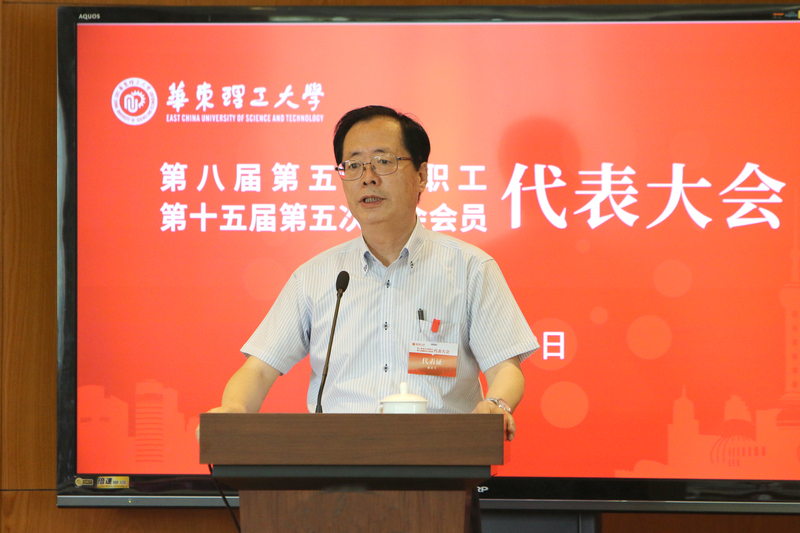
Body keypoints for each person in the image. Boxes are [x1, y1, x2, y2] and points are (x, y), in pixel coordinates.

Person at [200, 105, 539, 442]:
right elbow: (259, 369)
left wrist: (497, 404)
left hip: (441, 456)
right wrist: (233, 411)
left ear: (421, 175)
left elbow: (505, 367)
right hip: (335, 460)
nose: (368, 177)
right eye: (353, 165)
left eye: (383, 161)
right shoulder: (315, 277)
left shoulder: (470, 268)